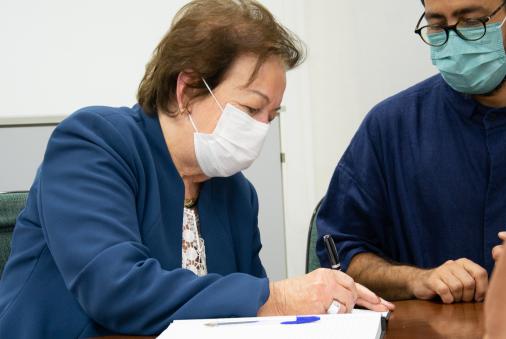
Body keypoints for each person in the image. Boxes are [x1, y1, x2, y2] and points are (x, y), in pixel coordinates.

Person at [0, 1, 393, 338]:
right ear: (187, 90)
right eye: (251, 108)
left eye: (271, 116)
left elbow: (244, 319)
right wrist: (281, 297)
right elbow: (114, 289)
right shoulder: (94, 143)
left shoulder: (237, 194)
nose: (260, 129)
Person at [317, 0, 506, 304]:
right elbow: (340, 256)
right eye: (438, 26)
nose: (454, 40)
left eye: (471, 21)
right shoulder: (392, 127)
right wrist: (417, 279)